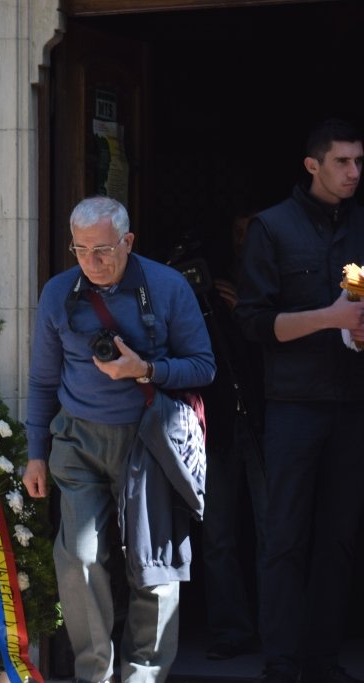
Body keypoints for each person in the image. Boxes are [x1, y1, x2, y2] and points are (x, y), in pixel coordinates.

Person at [23, 196, 215, 683]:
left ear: (128, 241)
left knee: (153, 565)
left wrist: (145, 369)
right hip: (78, 442)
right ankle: (94, 674)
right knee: (80, 558)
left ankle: (144, 675)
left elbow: (203, 365)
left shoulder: (167, 287)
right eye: (80, 250)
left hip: (149, 441)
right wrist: (36, 455)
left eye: (104, 249)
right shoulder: (57, 294)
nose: (92, 262)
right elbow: (43, 382)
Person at [235, 118, 364, 683]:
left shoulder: (363, 226)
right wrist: (330, 319)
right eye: (343, 162)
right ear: (312, 165)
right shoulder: (272, 227)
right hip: (293, 404)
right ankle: (282, 662)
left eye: (360, 161)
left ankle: (322, 658)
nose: (354, 172)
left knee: (339, 537)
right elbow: (254, 323)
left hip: (353, 403)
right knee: (285, 536)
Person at [197, 210, 267, 661]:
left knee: (276, 532)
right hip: (219, 424)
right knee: (217, 534)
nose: (245, 240)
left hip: (268, 422)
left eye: (252, 231)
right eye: (238, 231)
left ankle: (280, 630)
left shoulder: (277, 283)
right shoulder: (211, 287)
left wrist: (247, 312)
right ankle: (231, 631)